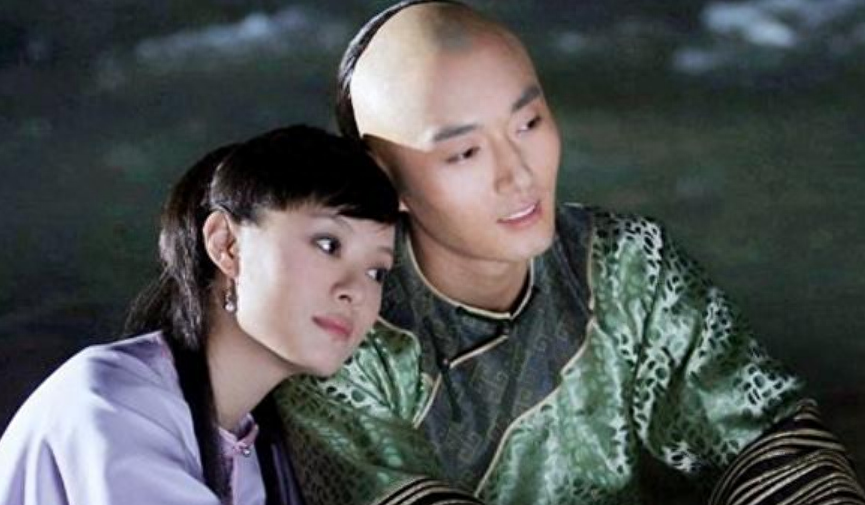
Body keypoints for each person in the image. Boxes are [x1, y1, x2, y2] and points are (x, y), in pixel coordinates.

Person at [271, 2, 865, 505]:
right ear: (383, 182)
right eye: (465, 153)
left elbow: (768, 442)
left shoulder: (629, 263)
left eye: (528, 123)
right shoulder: (339, 334)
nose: (517, 175)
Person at [0, 125, 399, 505]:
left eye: (376, 272)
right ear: (227, 245)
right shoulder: (113, 402)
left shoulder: (267, 448)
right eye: (328, 245)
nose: (356, 291)